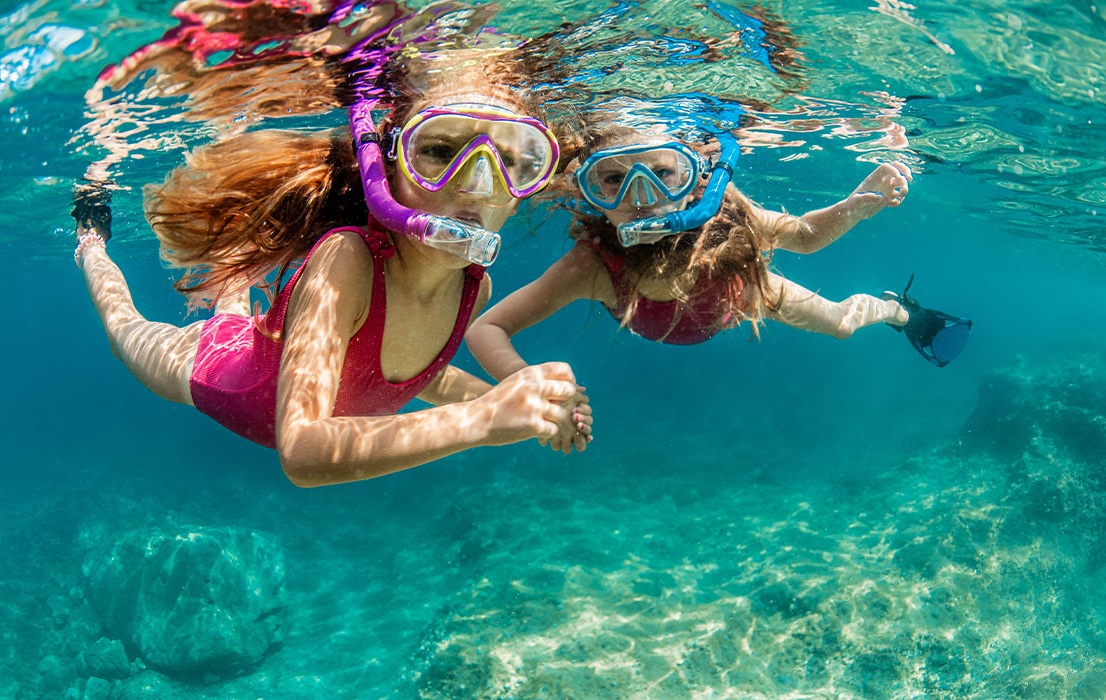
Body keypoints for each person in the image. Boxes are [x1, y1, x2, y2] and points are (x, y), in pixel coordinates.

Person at [74, 45, 594, 489]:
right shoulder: (346, 260)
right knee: (126, 330)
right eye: (439, 150)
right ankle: (91, 241)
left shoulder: (472, 288)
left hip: (262, 347)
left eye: (512, 161)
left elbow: (414, 377)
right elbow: (301, 450)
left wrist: (532, 410)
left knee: (235, 302)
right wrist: (486, 417)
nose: (478, 184)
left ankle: (235, 278)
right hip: (215, 373)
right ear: (388, 165)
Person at [466, 116, 971, 379]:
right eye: (612, 181)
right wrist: (522, 382)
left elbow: (806, 237)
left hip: (744, 295)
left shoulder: (727, 216)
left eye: (662, 174)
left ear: (694, 178)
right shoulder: (594, 265)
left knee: (841, 324)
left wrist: (858, 204)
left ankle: (895, 311)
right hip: (680, 316)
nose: (641, 198)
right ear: (590, 194)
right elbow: (489, 327)